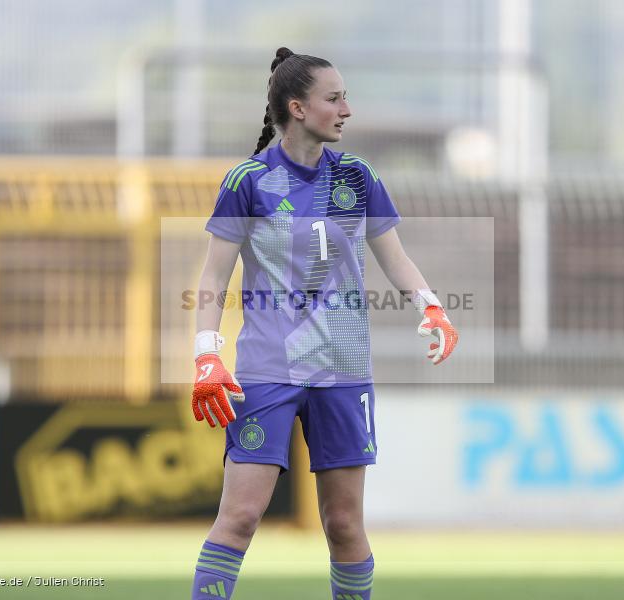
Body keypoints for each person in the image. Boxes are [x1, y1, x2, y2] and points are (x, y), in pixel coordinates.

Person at [188, 47, 459, 599]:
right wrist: (207, 354)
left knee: (343, 525)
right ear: (298, 107)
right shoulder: (248, 180)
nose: (346, 110)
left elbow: (395, 258)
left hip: (343, 370)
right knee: (240, 517)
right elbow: (214, 275)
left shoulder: (357, 177)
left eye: (345, 98)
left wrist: (432, 305)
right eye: (334, 99)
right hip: (266, 370)